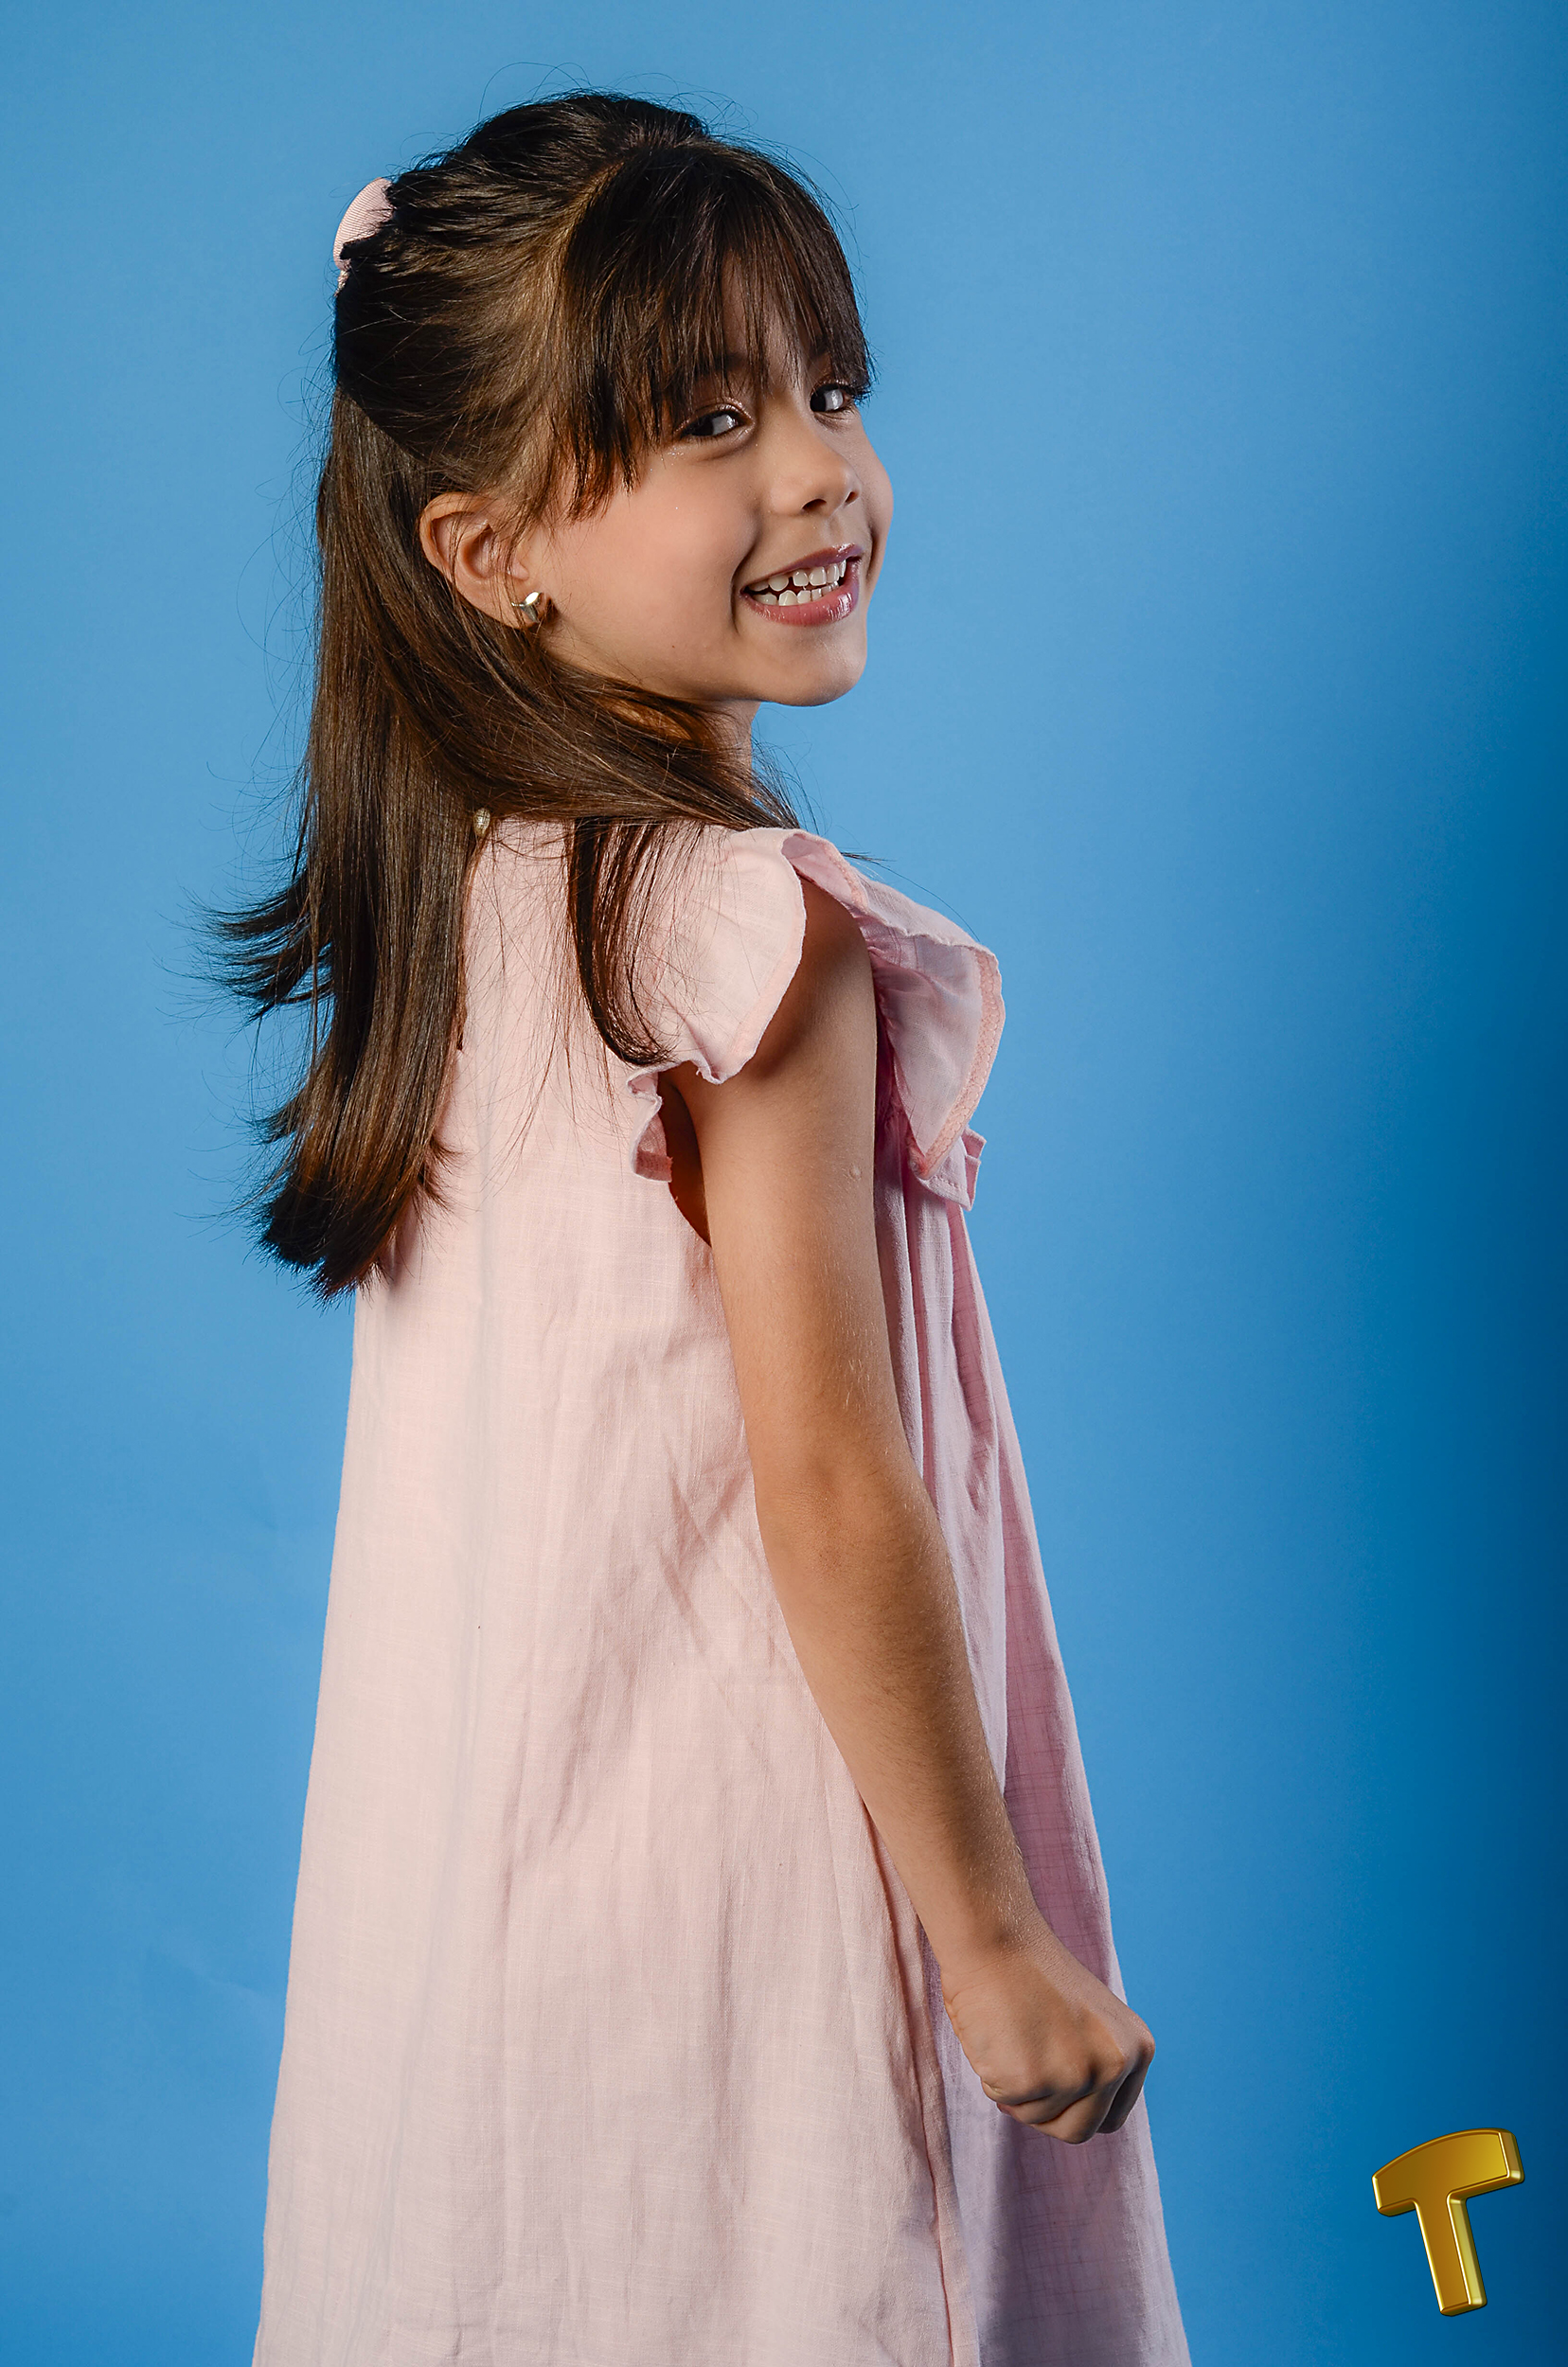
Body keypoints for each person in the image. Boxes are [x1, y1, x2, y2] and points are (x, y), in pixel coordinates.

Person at [235, 91, 1189, 2367]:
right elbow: (832, 1472)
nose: (820, 475)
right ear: (492, 550)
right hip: (754, 1864)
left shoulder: (471, 897)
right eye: (708, 423)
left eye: (829, 390)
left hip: (489, 1882)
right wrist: (992, 1940)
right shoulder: (750, 931)